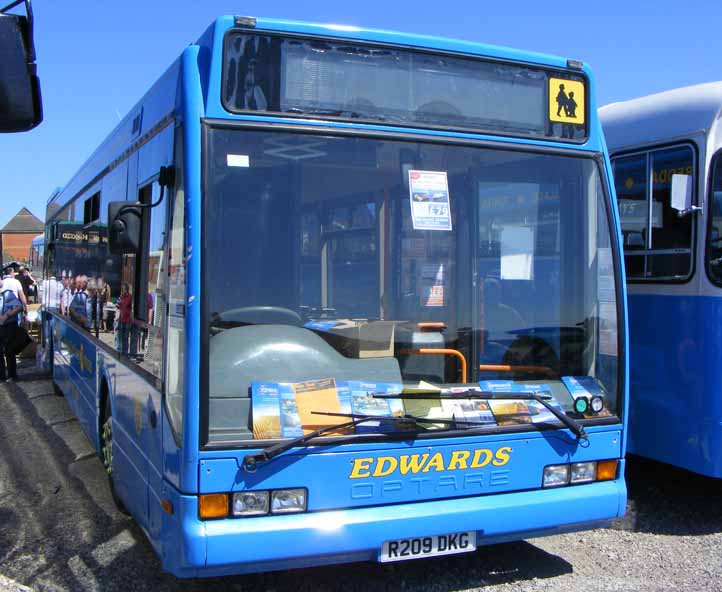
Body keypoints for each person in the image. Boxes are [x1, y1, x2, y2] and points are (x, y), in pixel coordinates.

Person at [0, 279, 23, 382]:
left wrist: (7, 315)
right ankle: (1, 376)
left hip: (9, 325)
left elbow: (19, 307)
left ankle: (12, 375)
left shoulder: (8, 293)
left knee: (9, 351)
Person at [117, 283, 133, 355]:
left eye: (123, 289)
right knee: (120, 336)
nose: (122, 291)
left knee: (126, 337)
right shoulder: (121, 297)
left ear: (126, 290)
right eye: (121, 290)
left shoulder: (130, 297)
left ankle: (125, 353)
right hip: (121, 320)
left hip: (127, 320)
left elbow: (131, 308)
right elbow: (118, 305)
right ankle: (120, 351)